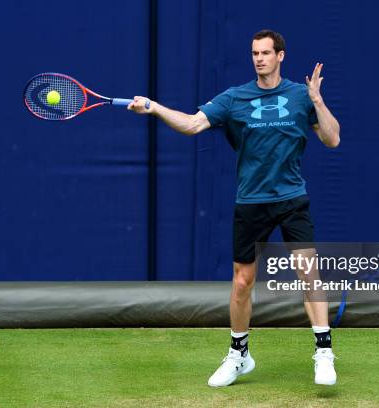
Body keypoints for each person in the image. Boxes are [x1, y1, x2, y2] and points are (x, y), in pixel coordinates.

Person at [127, 29, 341, 387]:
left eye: (266, 53)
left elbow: (332, 139)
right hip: (251, 202)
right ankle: (239, 354)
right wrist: (155, 108)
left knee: (308, 271)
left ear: (280, 56)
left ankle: (323, 351)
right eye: (254, 53)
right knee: (242, 281)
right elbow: (193, 124)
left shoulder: (301, 97)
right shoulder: (234, 99)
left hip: (291, 198)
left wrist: (317, 101)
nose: (259, 58)